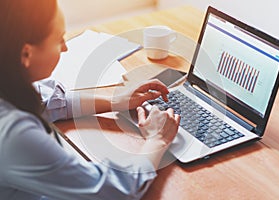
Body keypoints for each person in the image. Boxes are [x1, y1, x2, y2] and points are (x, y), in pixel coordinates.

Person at [0, 0, 180, 199]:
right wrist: (158, 140)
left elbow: (49, 101)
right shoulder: (13, 134)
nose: (65, 48)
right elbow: (112, 191)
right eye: (60, 39)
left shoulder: (8, 85)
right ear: (27, 53)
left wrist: (116, 100)